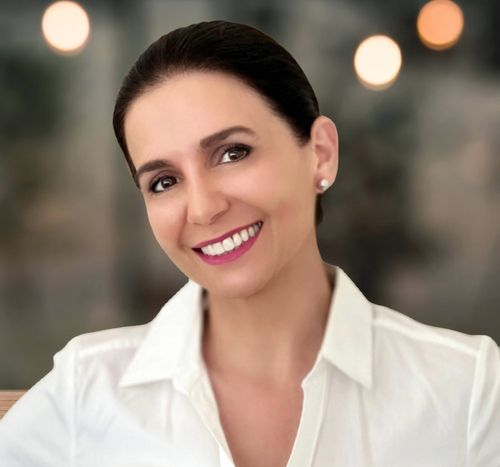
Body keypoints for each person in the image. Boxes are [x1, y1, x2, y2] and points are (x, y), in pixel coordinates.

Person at [0, 20, 499, 467]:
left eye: (232, 153)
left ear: (320, 154)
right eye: (164, 181)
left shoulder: (468, 391)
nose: (203, 208)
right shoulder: (86, 393)